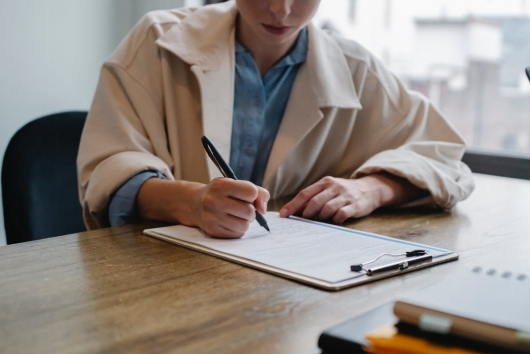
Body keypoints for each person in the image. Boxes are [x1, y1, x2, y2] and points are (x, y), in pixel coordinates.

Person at [77, 0, 474, 239]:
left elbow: (446, 159)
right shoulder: (156, 41)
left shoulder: (357, 70)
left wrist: (372, 189)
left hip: (291, 291)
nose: (281, 10)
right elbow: (109, 171)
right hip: (159, 280)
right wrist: (193, 203)